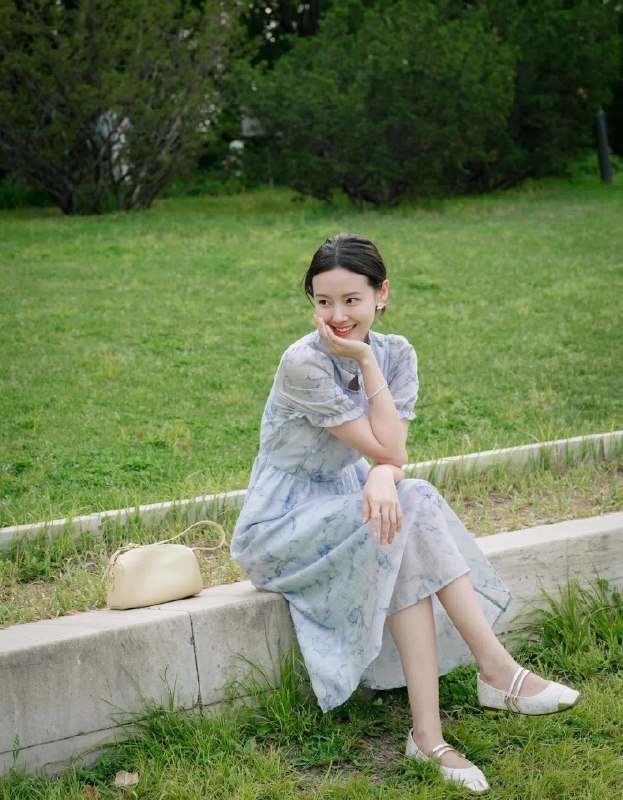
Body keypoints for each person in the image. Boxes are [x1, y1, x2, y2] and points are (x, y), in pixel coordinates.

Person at [230, 234, 580, 794]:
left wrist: (378, 455)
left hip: (353, 503)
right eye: (323, 302)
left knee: (404, 513)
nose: (338, 316)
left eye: (351, 300)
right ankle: (496, 672)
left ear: (381, 294)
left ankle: (429, 735)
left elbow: (390, 455)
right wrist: (365, 371)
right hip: (282, 526)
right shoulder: (304, 363)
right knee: (410, 500)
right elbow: (391, 454)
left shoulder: (398, 353)